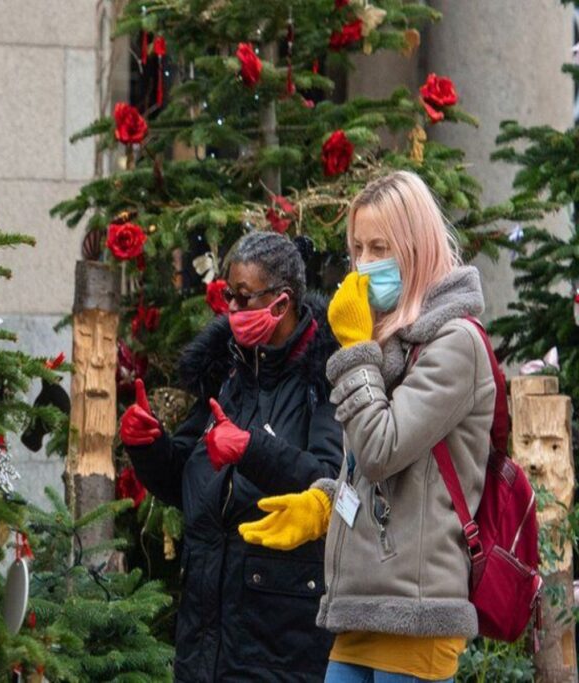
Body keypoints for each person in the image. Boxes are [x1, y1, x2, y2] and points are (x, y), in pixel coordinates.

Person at [240, 170, 494, 683]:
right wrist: (325, 504)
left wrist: (356, 352)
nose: (365, 264)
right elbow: (374, 471)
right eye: (358, 249)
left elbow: (382, 448)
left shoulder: (456, 343)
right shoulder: (388, 342)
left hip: (417, 611)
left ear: (417, 248)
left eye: (382, 247)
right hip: (361, 604)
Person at [120, 231, 343, 681]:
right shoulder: (226, 370)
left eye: (242, 298)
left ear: (281, 304)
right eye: (227, 296)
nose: (231, 311)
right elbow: (189, 483)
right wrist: (149, 448)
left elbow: (331, 483)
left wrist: (250, 448)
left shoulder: (327, 377)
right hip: (204, 637)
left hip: (281, 640)